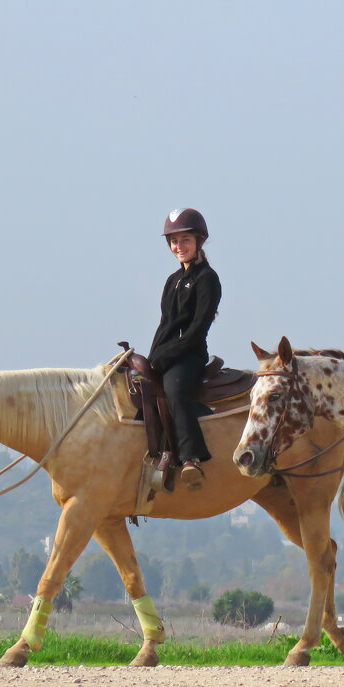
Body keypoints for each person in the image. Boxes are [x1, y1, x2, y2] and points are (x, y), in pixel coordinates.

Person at [147, 208, 222, 490]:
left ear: (198, 241)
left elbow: (198, 328)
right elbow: (166, 323)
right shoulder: (172, 280)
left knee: (176, 391)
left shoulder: (207, 279)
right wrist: (153, 356)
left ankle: (191, 457)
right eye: (175, 241)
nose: (180, 247)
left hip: (190, 354)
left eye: (185, 240)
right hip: (166, 352)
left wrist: (169, 355)